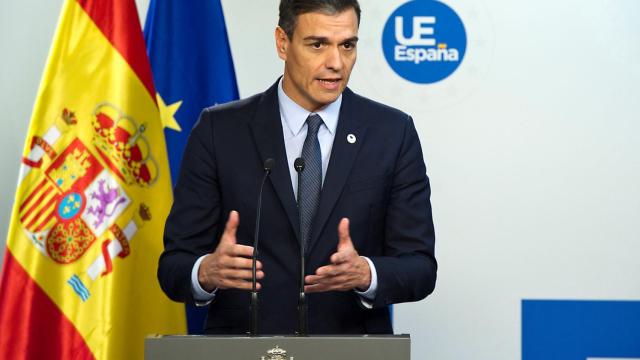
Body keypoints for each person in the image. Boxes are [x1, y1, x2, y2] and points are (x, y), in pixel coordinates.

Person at [158, 0, 437, 335]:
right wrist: (205, 272)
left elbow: (420, 268)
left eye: (347, 45)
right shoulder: (220, 131)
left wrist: (366, 274)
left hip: (350, 351)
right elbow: (173, 268)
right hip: (245, 350)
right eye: (317, 44)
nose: (336, 63)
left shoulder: (392, 133)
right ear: (282, 42)